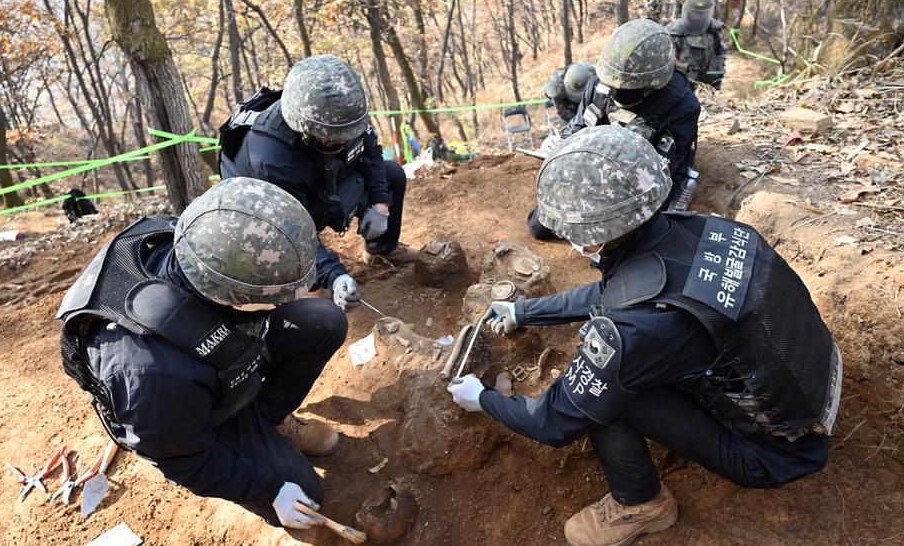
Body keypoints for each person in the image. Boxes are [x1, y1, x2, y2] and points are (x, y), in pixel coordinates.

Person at [450, 126, 842, 546]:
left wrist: (482, 398)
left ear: (591, 235)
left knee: (606, 398)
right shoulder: (701, 229)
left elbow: (555, 421)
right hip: (813, 383)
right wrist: (524, 311)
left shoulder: (637, 331)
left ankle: (641, 504)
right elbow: (623, 288)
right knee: (629, 367)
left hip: (779, 454)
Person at [57, 177, 350, 531]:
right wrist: (270, 489)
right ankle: (249, 445)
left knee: (323, 320)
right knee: (305, 494)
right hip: (191, 415)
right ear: (233, 296)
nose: (285, 303)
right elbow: (186, 460)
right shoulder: (151, 375)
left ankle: (270, 420)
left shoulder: (205, 239)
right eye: (277, 297)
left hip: (217, 361)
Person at [219, 54, 417, 312]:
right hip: (264, 214)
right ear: (302, 125)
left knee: (392, 175)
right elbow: (290, 229)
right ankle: (306, 283)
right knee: (287, 250)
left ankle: (381, 250)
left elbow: (370, 152)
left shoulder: (345, 115)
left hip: (317, 178)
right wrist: (334, 276)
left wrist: (380, 204)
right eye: (331, 138)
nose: (342, 140)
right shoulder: (272, 158)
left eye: (346, 135)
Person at [527, 19, 701, 240]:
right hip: (595, 163)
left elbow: (660, 170)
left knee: (630, 238)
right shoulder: (601, 82)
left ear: (653, 82)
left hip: (639, 177)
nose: (617, 90)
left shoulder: (681, 106)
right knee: (539, 225)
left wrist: (600, 187)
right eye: (614, 82)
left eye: (627, 86)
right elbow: (581, 125)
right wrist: (562, 145)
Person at [667, 0, 727, 90]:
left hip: (706, 87)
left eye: (701, 14)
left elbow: (720, 53)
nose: (698, 17)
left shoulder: (714, 30)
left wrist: (717, 77)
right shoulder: (674, 31)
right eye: (695, 13)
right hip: (681, 87)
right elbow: (667, 64)